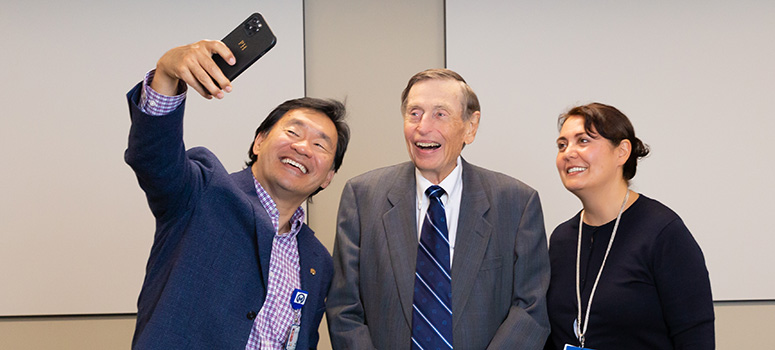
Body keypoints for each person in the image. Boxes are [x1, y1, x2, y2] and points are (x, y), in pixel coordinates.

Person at [125, 39, 350, 349]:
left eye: (320, 145)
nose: (302, 147)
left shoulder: (317, 260)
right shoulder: (202, 192)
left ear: (328, 177)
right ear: (259, 142)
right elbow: (153, 158)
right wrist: (166, 73)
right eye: (293, 132)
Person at [327, 68, 550, 349]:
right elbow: (343, 307)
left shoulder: (517, 203)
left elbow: (531, 308)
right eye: (414, 113)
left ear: (471, 127)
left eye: (440, 114)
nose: (423, 127)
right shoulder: (362, 197)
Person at [545, 103, 714, 349]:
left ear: (622, 152)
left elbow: (695, 335)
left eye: (583, 141)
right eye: (562, 145)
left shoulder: (663, 232)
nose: (568, 152)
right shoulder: (562, 239)